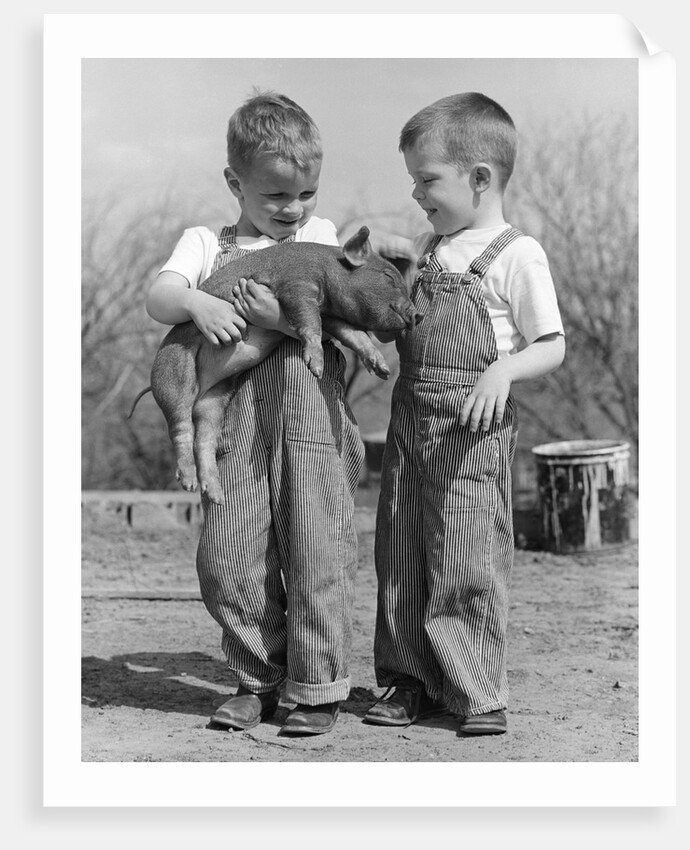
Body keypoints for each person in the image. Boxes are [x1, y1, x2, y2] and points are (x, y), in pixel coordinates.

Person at [146, 91, 365, 737]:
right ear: (234, 183)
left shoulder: (321, 237)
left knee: (317, 549)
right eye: (274, 197)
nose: (292, 210)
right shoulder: (204, 243)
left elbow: (345, 308)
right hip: (233, 421)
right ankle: (255, 678)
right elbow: (160, 298)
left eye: (305, 194)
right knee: (227, 554)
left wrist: (278, 318)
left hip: (310, 414)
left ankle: (318, 687)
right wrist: (195, 304)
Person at [364, 92, 566, 736]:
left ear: (480, 179)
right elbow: (395, 305)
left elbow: (551, 344)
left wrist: (502, 370)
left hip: (470, 435)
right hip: (410, 424)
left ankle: (477, 690)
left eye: (428, 180)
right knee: (400, 554)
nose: (418, 194)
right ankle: (405, 681)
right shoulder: (428, 247)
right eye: (414, 181)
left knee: (465, 557)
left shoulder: (514, 253)